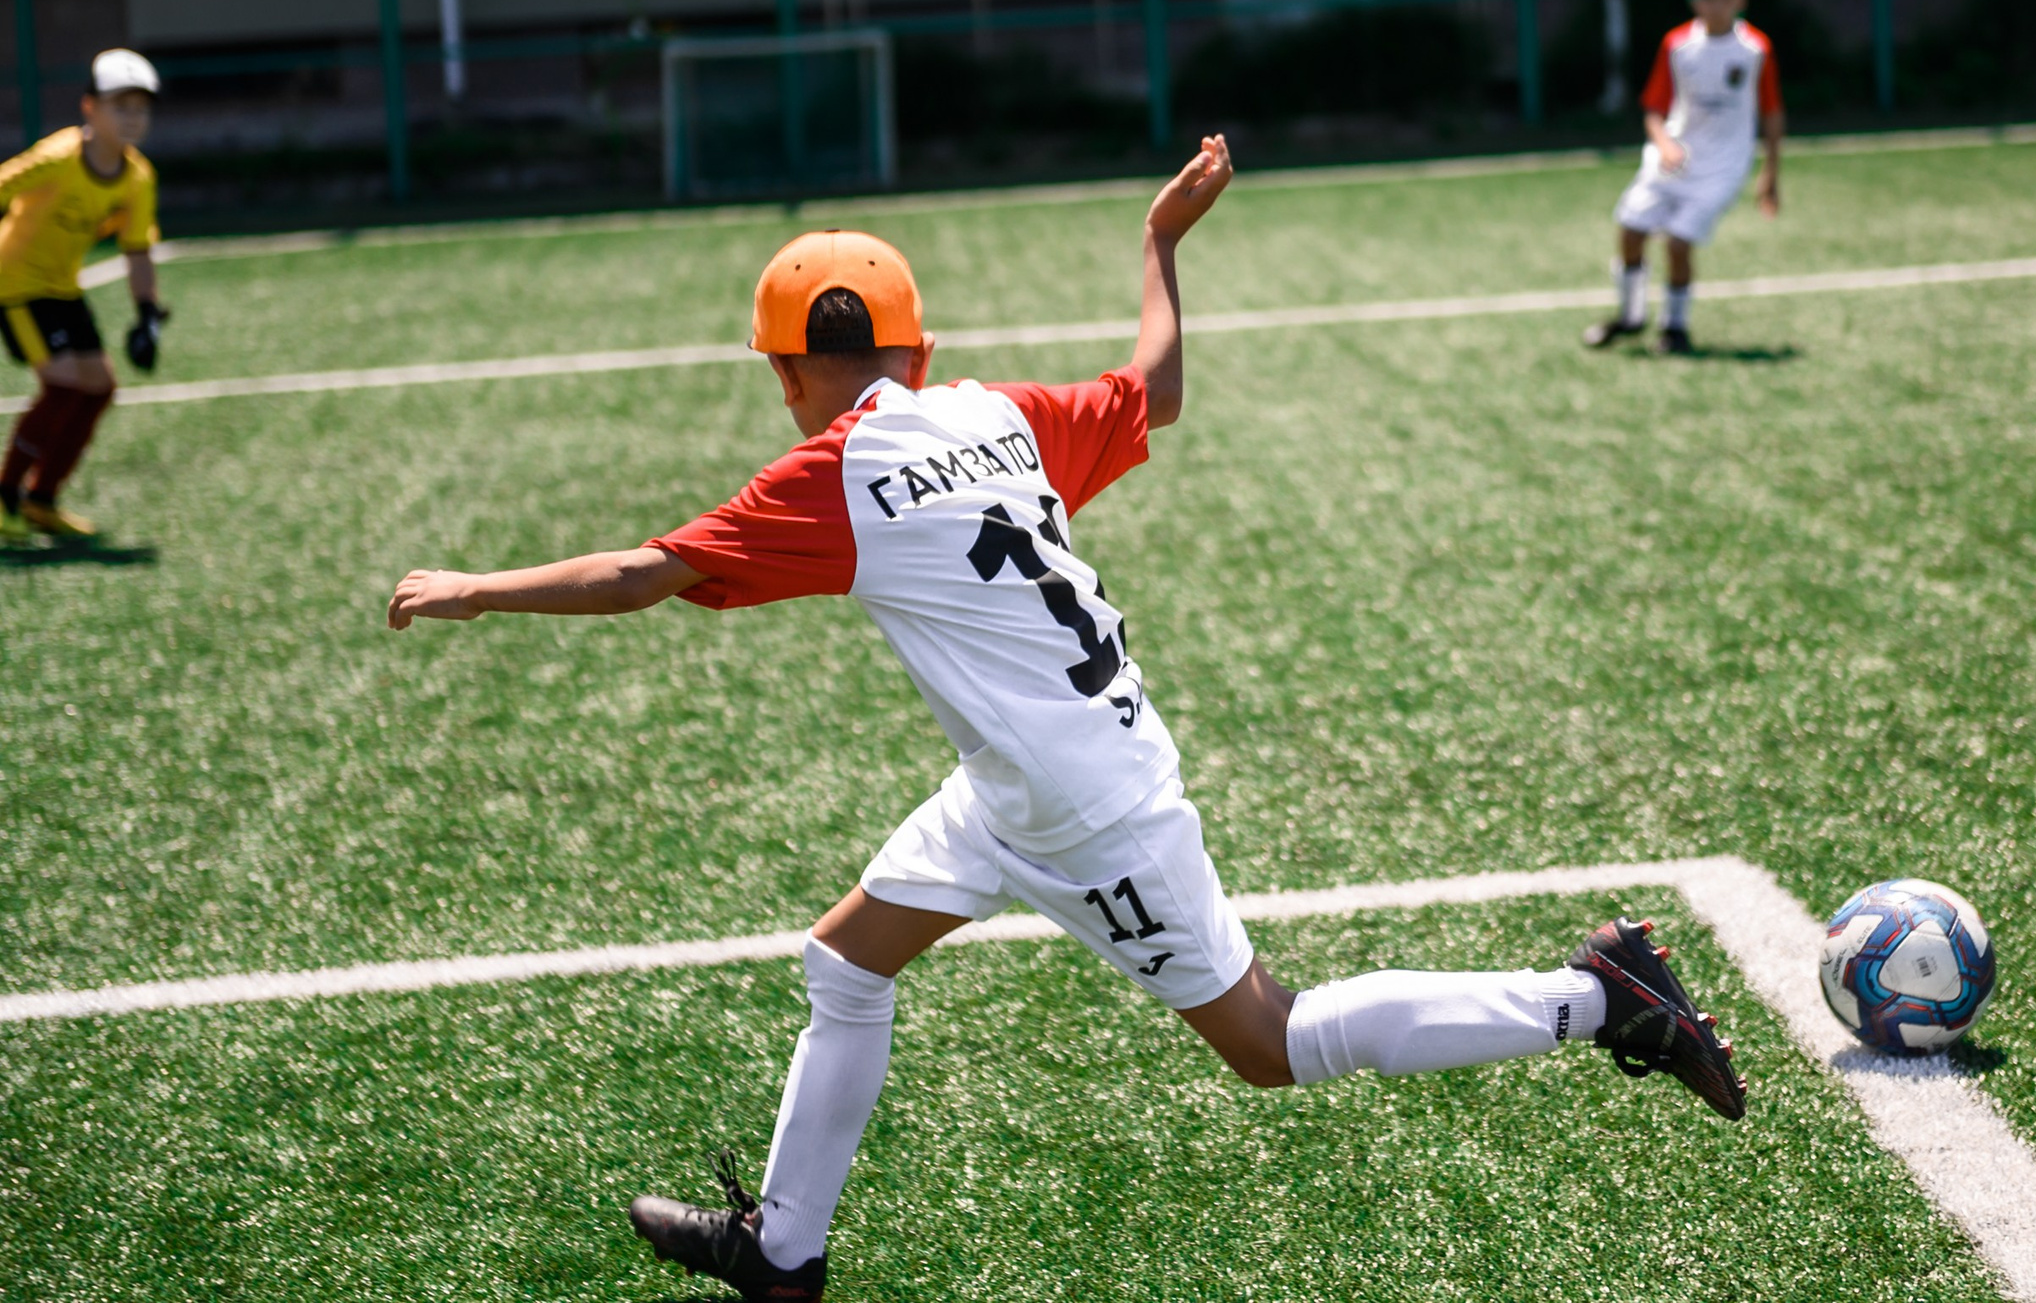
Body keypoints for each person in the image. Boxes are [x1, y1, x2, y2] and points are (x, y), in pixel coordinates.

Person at [386, 136, 1746, 1302]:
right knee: (848, 960)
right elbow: (1152, 385)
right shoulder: (999, 413)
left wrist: (476, 590)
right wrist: (1159, 242)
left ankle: (1596, 999)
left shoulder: (830, 469)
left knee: (1273, 1043)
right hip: (1018, 780)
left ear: (792, 371)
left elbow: (645, 573)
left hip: (1089, 808)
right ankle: (783, 1252)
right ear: (917, 347)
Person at [0, 48, 171, 542]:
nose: (133, 118)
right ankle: (6, 494)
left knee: (99, 387)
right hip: (14, 284)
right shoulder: (56, 158)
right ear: (89, 108)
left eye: (141, 108)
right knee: (63, 386)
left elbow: (138, 250)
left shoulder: (138, 177)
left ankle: (42, 500)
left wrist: (147, 315)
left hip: (61, 288)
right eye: (122, 106)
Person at [1584, 0, 1783, 356]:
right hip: (1673, 158)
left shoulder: (1755, 50)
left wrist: (1770, 172)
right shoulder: (1677, 45)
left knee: (1677, 242)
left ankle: (1675, 328)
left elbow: (1772, 112)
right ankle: (1631, 315)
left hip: (1723, 165)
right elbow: (1654, 109)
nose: (1717, 4)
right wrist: (1664, 143)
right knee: (1631, 229)